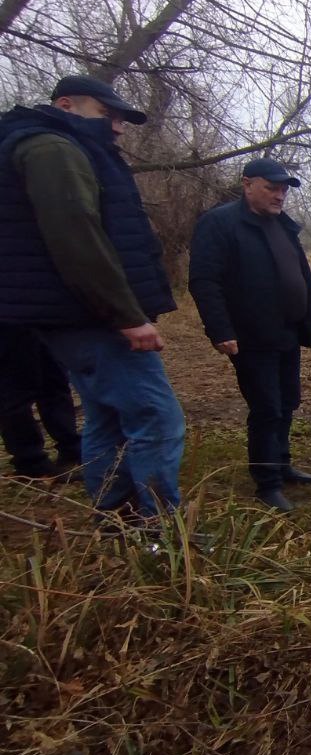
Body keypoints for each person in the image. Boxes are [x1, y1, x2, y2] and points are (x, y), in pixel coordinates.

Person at [0, 74, 184, 519]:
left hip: (75, 314)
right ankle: (160, 530)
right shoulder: (52, 148)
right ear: (66, 105)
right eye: (108, 115)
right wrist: (125, 315)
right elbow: (76, 235)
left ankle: (115, 516)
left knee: (107, 416)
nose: (118, 127)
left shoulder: (62, 146)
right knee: (158, 419)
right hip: (91, 316)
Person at [188, 157, 311, 512]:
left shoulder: (283, 225)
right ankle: (267, 483)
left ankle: (281, 464)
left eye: (283, 190)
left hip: (287, 332)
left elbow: (301, 277)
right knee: (266, 408)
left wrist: (309, 323)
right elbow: (204, 281)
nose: (279, 196)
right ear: (247, 184)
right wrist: (220, 329)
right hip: (250, 335)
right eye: (271, 188)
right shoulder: (220, 224)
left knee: (287, 402)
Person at [0, 325, 81, 479]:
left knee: (54, 382)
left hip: (40, 318)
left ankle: (71, 448)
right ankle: (31, 462)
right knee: (15, 392)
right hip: (9, 321)